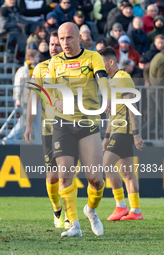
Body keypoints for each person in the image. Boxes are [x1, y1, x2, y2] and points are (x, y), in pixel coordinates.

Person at [45, 22, 111, 237]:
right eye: (62, 39)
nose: (65, 43)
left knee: (96, 179)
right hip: (62, 123)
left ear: (79, 38)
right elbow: (47, 90)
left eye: (69, 38)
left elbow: (102, 79)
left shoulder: (93, 57)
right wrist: (56, 103)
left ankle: (90, 210)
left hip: (87, 123)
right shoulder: (54, 63)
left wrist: (107, 97)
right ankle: (73, 223)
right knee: (65, 175)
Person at [24, 30, 68, 229]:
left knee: (67, 173)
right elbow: (33, 98)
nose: (54, 48)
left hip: (70, 127)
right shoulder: (40, 69)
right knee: (52, 177)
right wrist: (28, 126)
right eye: (51, 44)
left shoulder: (73, 67)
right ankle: (57, 209)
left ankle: (70, 216)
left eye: (57, 44)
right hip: (49, 129)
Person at [99, 46, 144, 221]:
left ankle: (121, 206)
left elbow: (132, 107)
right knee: (127, 172)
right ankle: (136, 211)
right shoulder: (113, 81)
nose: (101, 68)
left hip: (124, 131)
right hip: (117, 130)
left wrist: (136, 134)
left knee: (105, 165)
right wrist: (106, 137)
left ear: (111, 61)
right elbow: (113, 113)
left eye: (102, 63)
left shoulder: (123, 78)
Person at [2, 49, 40, 144]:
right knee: (25, 121)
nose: (39, 59)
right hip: (26, 100)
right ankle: (9, 139)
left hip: (35, 100)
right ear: (31, 58)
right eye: (37, 57)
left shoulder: (36, 69)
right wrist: (17, 99)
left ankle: (39, 142)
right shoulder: (23, 70)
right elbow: (18, 85)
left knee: (36, 121)